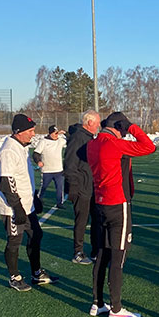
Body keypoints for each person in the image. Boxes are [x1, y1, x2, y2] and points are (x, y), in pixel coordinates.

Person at [86, 111, 156, 317]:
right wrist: (132, 127)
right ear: (118, 128)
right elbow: (149, 147)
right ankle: (116, 309)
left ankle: (98, 302)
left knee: (102, 254)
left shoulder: (92, 144)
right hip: (118, 204)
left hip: (100, 203)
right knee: (118, 257)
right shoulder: (114, 144)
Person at [0, 114, 55, 292]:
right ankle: (14, 277)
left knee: (36, 235)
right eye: (30, 131)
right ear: (18, 132)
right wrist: (17, 208)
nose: (33, 134)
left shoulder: (22, 147)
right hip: (13, 208)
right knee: (15, 241)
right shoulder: (9, 151)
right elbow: (6, 183)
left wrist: (34, 198)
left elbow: (24, 178)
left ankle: (36, 273)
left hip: (27, 204)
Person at [64, 111, 101, 265]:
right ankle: (78, 252)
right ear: (90, 122)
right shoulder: (78, 137)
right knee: (82, 220)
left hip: (90, 186)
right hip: (81, 187)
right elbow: (70, 164)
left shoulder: (88, 137)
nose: (98, 125)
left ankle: (95, 250)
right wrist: (73, 186)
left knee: (96, 218)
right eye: (97, 123)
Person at [32, 125, 66, 209]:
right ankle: (39, 200)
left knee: (60, 187)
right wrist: (38, 161)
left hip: (58, 170)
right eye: (54, 133)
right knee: (43, 187)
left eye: (57, 133)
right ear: (50, 133)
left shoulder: (60, 141)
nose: (56, 135)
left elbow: (71, 139)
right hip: (47, 170)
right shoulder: (43, 142)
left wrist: (65, 133)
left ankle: (59, 203)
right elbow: (36, 153)